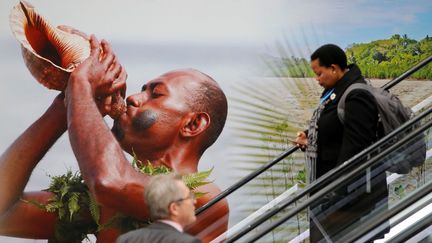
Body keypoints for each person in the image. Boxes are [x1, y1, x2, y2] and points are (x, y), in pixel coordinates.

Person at [0, 35, 229, 242]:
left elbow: (109, 182)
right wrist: (62, 109)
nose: (133, 98)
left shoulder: (202, 198)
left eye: (156, 94)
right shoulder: (107, 201)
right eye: (142, 90)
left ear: (193, 124)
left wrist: (82, 86)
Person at [295, 44, 388, 242]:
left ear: (334, 68)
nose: (316, 79)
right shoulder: (339, 91)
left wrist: (335, 191)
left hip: (348, 195)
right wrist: (308, 136)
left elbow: (357, 146)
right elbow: (336, 127)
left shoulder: (356, 95)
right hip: (336, 192)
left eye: (319, 73)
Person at [116, 173, 201, 243]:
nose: (194, 201)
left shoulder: (126, 240)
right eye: (189, 197)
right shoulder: (188, 242)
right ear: (174, 208)